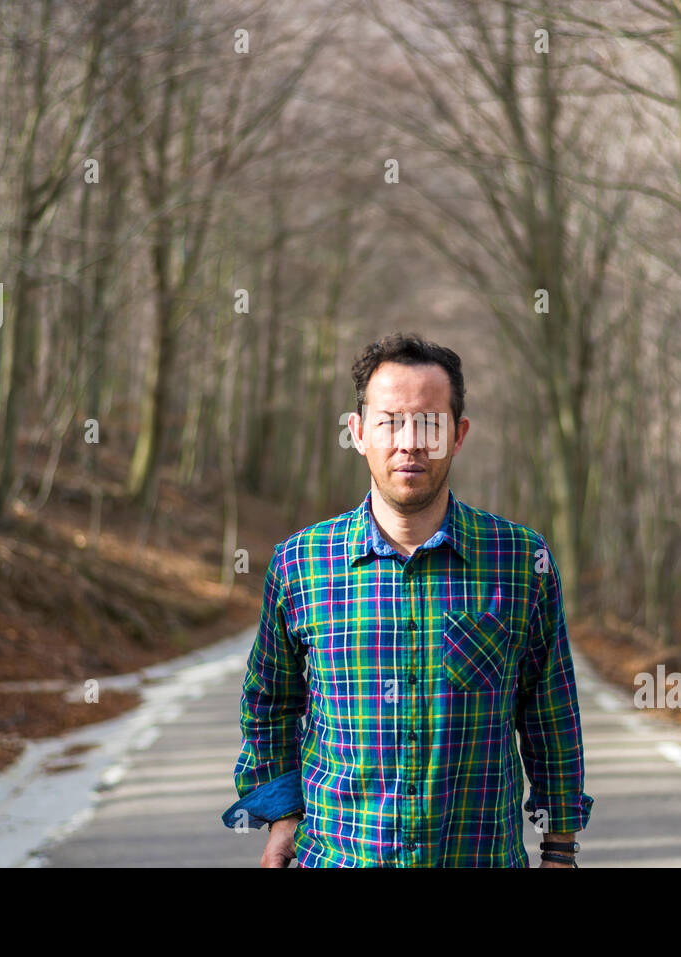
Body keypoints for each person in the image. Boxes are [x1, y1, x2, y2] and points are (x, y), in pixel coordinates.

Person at [220, 332, 592, 867]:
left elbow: (549, 712)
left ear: (458, 435)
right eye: (390, 420)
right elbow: (270, 702)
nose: (410, 441)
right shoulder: (300, 563)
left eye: (430, 423)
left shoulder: (519, 560)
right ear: (358, 432)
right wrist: (282, 816)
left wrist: (560, 847)